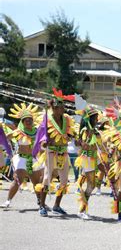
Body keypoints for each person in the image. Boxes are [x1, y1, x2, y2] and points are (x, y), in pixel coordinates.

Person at [35, 88, 76, 217]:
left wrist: (72, 137)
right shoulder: (47, 119)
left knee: (64, 181)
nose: (62, 108)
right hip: (51, 152)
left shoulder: (67, 119)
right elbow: (41, 136)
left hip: (63, 153)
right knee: (47, 178)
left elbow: (70, 133)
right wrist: (45, 143)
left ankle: (57, 205)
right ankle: (42, 206)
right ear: (53, 107)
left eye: (63, 106)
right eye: (59, 106)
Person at [0, 103, 43, 209]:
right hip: (21, 159)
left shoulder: (37, 132)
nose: (28, 121)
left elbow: (44, 140)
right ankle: (8, 201)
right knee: (18, 180)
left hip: (33, 159)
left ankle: (40, 202)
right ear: (22, 122)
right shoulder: (18, 132)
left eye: (30, 119)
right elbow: (5, 139)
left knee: (36, 182)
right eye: (26, 120)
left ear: (33, 121)